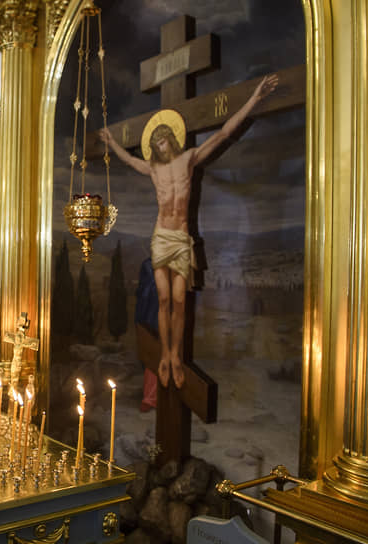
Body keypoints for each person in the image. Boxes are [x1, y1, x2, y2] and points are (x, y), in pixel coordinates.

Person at [101, 74, 278, 389]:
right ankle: (165, 357)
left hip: (181, 238)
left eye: (163, 139)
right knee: (165, 298)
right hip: (160, 237)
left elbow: (223, 133)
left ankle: (175, 354)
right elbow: (128, 159)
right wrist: (112, 142)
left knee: (180, 300)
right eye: (155, 142)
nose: (159, 145)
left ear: (171, 138)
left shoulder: (189, 159)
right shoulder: (153, 168)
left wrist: (254, 99)